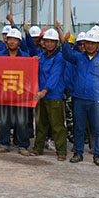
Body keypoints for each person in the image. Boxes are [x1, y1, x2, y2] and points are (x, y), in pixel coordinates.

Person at [60, 26, 99, 166]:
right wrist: (64, 43)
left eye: (92, 43)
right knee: (79, 127)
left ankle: (98, 154)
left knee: (97, 129)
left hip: (96, 100)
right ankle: (78, 153)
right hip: (79, 98)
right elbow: (67, 56)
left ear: (98, 45)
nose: (89, 46)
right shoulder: (78, 58)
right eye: (87, 43)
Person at [31, 28, 67, 161]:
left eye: (53, 41)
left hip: (54, 96)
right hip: (41, 95)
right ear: (43, 43)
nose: (50, 44)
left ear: (56, 43)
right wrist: (33, 61)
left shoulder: (59, 57)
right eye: (47, 41)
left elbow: (55, 76)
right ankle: (38, 148)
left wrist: (44, 91)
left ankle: (61, 151)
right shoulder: (42, 57)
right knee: (40, 124)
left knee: (57, 125)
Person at [0, 28, 32, 155]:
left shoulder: (26, 57)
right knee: (3, 120)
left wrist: (35, 62)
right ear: (6, 41)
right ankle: (4, 143)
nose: (12, 42)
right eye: (10, 39)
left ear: (19, 42)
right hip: (4, 93)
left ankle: (23, 145)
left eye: (15, 40)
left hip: (20, 94)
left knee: (22, 121)